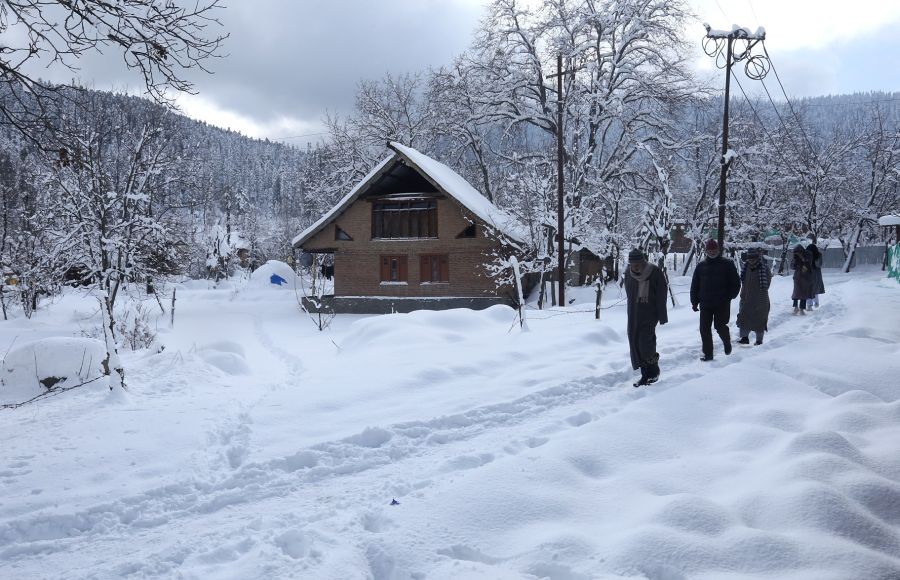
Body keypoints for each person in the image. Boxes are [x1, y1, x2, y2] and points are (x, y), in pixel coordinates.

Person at [623, 248, 668, 387]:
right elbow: (629, 293)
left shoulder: (654, 272)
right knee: (635, 343)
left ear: (643, 261)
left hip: (649, 313)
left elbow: (662, 294)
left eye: (638, 263)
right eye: (632, 264)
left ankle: (654, 371)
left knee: (645, 343)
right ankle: (645, 375)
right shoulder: (628, 274)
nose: (635, 267)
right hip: (634, 314)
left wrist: (662, 315)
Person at [690, 239, 741, 361]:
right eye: (710, 250)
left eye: (714, 249)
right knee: (704, 329)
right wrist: (694, 302)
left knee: (720, 326)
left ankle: (726, 342)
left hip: (721, 303)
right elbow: (695, 285)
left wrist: (729, 296)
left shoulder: (727, 264)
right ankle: (708, 354)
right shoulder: (701, 266)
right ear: (706, 251)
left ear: (718, 250)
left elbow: (736, 283)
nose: (712, 252)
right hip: (705, 303)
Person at [736, 248, 770, 345]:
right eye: (749, 259)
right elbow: (743, 281)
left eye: (753, 258)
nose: (751, 260)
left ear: (757, 258)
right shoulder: (746, 268)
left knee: (759, 320)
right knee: (744, 318)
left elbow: (767, 284)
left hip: (760, 299)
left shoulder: (764, 268)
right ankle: (744, 338)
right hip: (746, 297)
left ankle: (759, 340)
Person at [791, 244, 813, 315]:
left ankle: (801, 309)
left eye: (798, 252)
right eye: (796, 253)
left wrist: (803, 259)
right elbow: (792, 266)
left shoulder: (808, 255)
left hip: (805, 276)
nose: (797, 254)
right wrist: (795, 261)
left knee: (804, 292)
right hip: (797, 276)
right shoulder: (795, 257)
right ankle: (795, 307)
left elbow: (809, 264)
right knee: (796, 292)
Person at [807, 243, 825, 308]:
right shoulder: (807, 255)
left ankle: (816, 303)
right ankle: (809, 305)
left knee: (815, 290)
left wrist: (813, 259)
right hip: (808, 274)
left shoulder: (819, 255)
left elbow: (818, 264)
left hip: (816, 275)